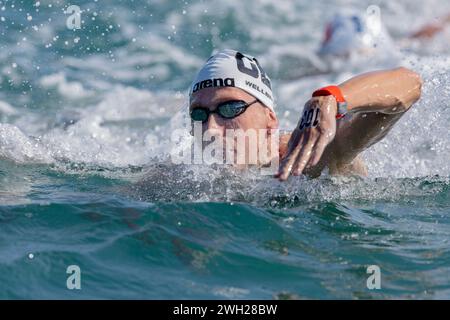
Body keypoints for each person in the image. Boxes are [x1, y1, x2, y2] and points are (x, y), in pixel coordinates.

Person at [188, 49, 422, 181]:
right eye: (198, 114)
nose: (210, 128)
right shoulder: (184, 178)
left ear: (270, 119)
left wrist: (331, 99)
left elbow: (409, 85)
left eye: (230, 108)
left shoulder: (314, 156)